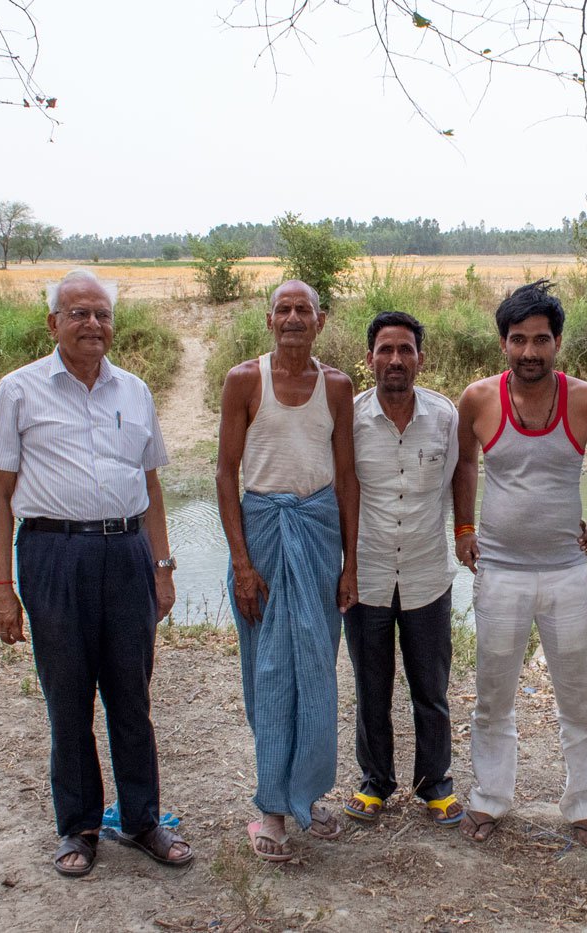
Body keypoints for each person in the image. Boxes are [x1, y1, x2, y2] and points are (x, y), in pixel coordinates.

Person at [0, 268, 192, 878]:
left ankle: (142, 820)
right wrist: (3, 588)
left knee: (131, 695)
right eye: (78, 314)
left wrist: (162, 566)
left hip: (127, 553)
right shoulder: (19, 391)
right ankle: (77, 825)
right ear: (54, 323)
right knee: (68, 699)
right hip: (53, 557)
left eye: (101, 314)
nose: (92, 324)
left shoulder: (135, 391)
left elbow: (150, 485)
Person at [453, 279, 587, 849]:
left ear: (557, 342)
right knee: (493, 695)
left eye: (541, 340)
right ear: (503, 343)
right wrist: (463, 528)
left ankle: (583, 806)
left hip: (563, 571)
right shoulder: (479, 398)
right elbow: (464, 465)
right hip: (500, 570)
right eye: (518, 340)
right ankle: (490, 799)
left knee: (578, 694)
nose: (529, 351)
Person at [216, 279, 359, 863]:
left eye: (304, 309)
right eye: (284, 309)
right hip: (264, 536)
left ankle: (307, 794)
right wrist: (242, 564)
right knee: (270, 672)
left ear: (320, 321)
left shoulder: (337, 386)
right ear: (269, 319)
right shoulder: (244, 380)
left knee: (317, 671)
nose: (294, 318)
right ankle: (272, 810)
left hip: (320, 535)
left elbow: (347, 478)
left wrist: (350, 563)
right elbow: (226, 474)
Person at [342, 312, 463, 827]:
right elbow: (337, 493)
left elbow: (463, 477)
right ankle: (376, 782)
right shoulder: (346, 419)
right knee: (372, 686)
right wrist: (341, 567)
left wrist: (466, 533)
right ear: (369, 358)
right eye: (385, 350)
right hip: (365, 575)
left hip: (427, 573)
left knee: (430, 688)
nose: (395, 359)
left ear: (420, 358)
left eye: (405, 350)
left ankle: (434, 784)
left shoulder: (444, 417)